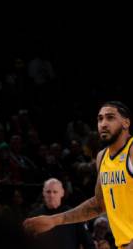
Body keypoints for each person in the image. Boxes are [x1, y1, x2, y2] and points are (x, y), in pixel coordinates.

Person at [24, 101, 133, 249]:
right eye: (100, 119)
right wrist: (54, 220)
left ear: (126, 123)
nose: (103, 124)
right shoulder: (102, 157)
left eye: (110, 117)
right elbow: (99, 204)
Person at [26, 178, 94, 249]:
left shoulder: (74, 215)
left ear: (62, 193)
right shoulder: (34, 216)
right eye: (48, 192)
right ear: (43, 193)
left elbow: (89, 244)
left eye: (55, 192)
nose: (51, 195)